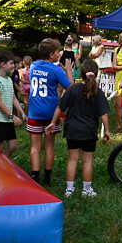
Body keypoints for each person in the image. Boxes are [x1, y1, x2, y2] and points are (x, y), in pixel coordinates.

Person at [50, 58, 111, 198]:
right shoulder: (98, 92)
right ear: (96, 74)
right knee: (87, 161)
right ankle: (86, 190)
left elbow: (60, 108)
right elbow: (104, 114)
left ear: (81, 74)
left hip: (72, 129)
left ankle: (69, 190)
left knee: (72, 159)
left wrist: (53, 122)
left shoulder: (72, 89)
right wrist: (107, 131)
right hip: (89, 131)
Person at [27, 39, 73, 186]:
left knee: (35, 146)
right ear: (52, 54)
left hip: (34, 111)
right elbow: (71, 88)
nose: (60, 54)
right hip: (51, 113)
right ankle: (47, 177)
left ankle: (35, 176)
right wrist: (68, 71)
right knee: (49, 145)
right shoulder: (57, 70)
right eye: (58, 52)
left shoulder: (33, 66)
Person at [0, 50, 25, 157]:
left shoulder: (8, 80)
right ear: (3, 64)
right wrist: (13, 116)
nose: (13, 65)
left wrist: (22, 113)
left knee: (13, 146)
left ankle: (2, 162)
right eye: (11, 63)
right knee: (0, 146)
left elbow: (14, 99)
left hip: (7, 118)